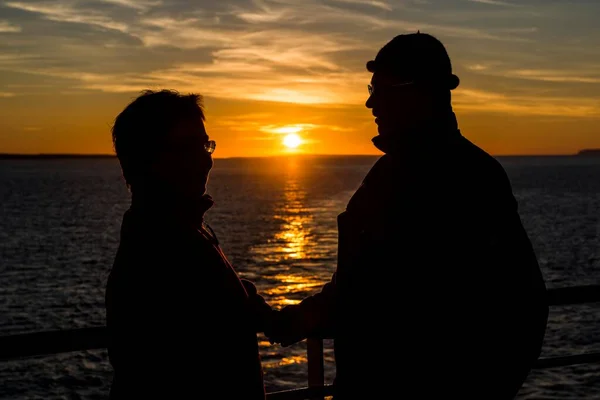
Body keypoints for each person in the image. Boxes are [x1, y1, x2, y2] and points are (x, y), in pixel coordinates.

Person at [266, 32, 549, 399]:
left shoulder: (465, 179)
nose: (371, 102)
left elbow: (519, 306)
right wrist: (290, 322)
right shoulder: (395, 174)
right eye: (371, 87)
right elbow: (361, 287)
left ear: (421, 93)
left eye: (382, 88)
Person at [105, 89, 270, 399]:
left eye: (205, 145)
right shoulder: (160, 243)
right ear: (147, 160)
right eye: (187, 148)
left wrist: (238, 293)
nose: (205, 160)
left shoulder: (187, 226)